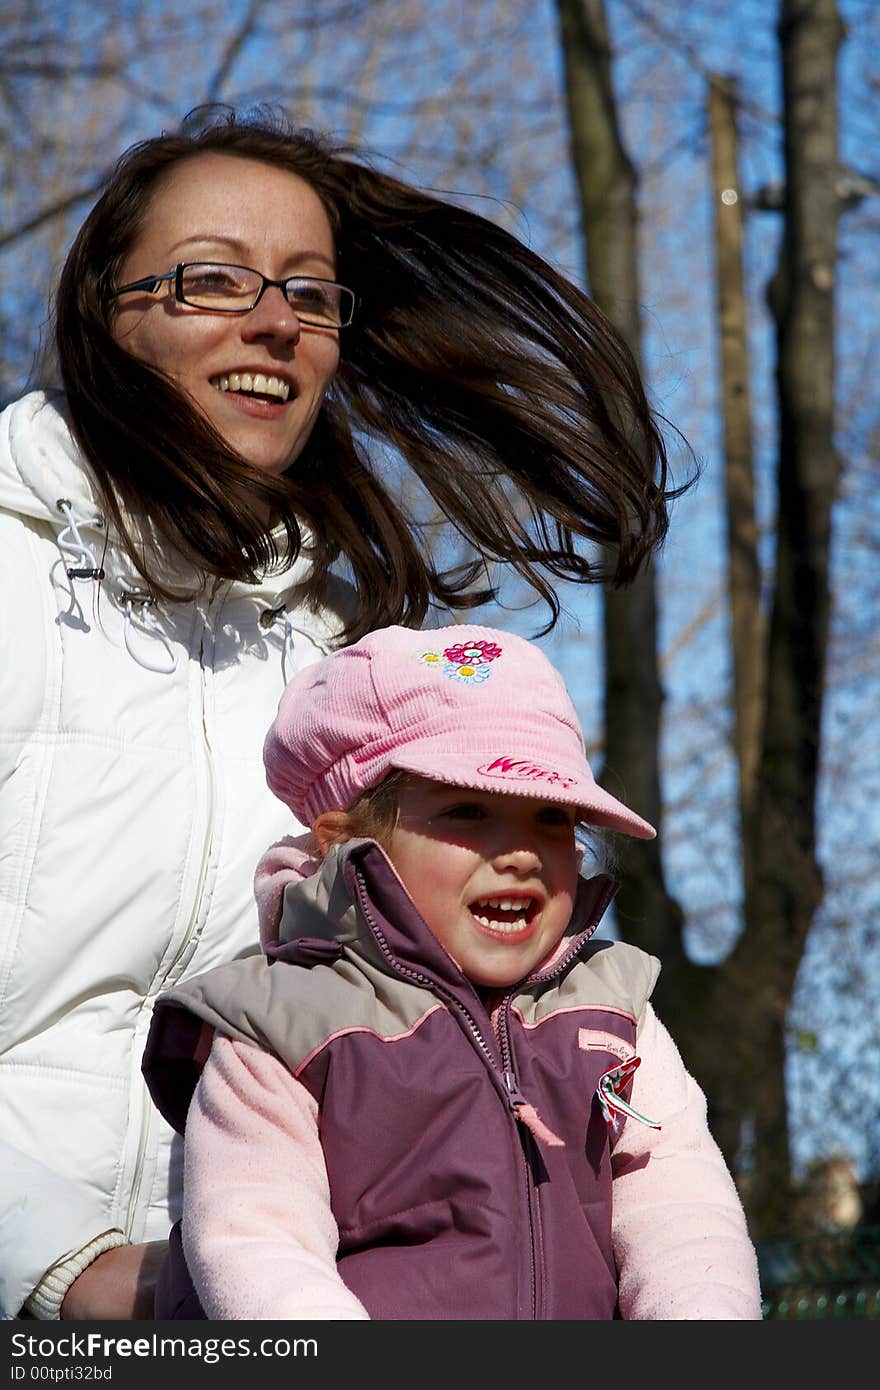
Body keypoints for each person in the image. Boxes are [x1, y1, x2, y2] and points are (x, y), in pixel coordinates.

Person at [0, 104, 686, 1322]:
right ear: (104, 313)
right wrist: (59, 1268)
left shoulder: (344, 669)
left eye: (311, 296)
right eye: (212, 278)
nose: (274, 321)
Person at [143, 624, 762, 1320]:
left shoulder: (613, 1014)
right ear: (345, 840)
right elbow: (256, 1243)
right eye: (469, 809)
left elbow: (681, 1207)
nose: (522, 853)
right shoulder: (282, 1025)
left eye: (553, 817)